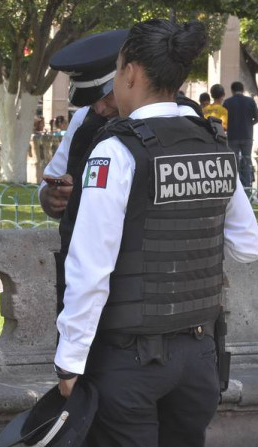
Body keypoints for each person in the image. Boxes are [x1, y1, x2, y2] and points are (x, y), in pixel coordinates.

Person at [53, 19, 258, 447]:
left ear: (130, 72)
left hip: (128, 363)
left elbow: (90, 268)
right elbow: (248, 246)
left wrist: (69, 363)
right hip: (199, 358)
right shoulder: (212, 143)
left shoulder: (116, 151)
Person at [40, 29, 201, 322]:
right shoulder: (86, 120)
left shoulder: (185, 125)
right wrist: (52, 197)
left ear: (129, 77)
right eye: (90, 101)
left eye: (105, 96)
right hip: (87, 299)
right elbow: (50, 181)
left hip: (159, 298)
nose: (99, 108)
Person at [223, 81, 258, 189]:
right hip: (247, 135)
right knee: (246, 160)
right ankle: (247, 186)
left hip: (232, 136)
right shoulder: (250, 101)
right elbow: (256, 118)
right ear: (243, 90)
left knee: (233, 161)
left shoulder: (227, 102)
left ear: (232, 90)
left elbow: (224, 120)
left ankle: (235, 185)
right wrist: (249, 124)